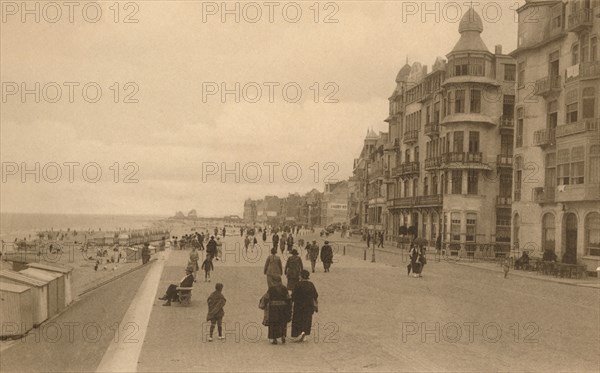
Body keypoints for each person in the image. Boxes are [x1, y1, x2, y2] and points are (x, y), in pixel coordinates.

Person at [261, 276, 291, 345]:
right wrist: (289, 307)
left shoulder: (271, 289)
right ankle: (283, 336)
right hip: (283, 308)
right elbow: (288, 298)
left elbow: (266, 297)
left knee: (274, 323)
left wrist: (264, 304)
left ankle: (274, 339)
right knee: (283, 322)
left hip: (273, 308)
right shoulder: (284, 288)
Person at [291, 270, 318, 341]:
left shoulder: (297, 284)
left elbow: (293, 296)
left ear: (301, 276)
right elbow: (315, 295)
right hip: (309, 306)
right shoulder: (311, 284)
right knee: (307, 320)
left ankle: (297, 334)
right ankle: (304, 333)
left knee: (297, 320)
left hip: (299, 306)